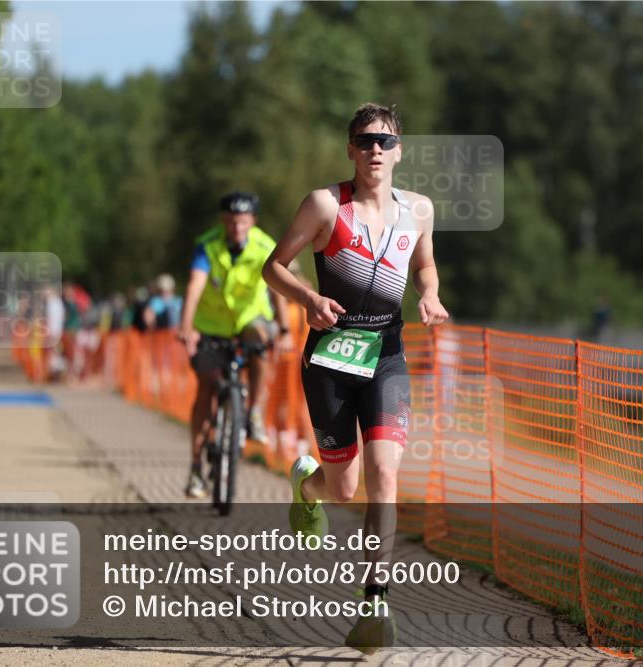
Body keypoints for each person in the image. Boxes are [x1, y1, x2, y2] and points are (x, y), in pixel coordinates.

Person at [262, 103, 449, 653]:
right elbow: (273, 265)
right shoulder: (325, 204)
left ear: (399, 151)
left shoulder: (418, 209)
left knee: (385, 477)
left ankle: (374, 603)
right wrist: (308, 298)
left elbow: (425, 265)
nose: (375, 150)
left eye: (385, 142)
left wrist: (431, 294)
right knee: (343, 487)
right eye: (365, 140)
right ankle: (307, 484)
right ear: (350, 149)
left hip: (387, 354)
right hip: (332, 356)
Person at [178, 191, 292, 499]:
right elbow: (195, 284)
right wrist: (185, 326)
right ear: (222, 221)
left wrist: (284, 329)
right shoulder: (208, 245)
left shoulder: (265, 246)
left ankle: (253, 411)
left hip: (249, 319)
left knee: (260, 342)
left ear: (252, 221)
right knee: (206, 387)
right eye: (230, 221)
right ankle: (196, 467)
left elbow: (278, 289)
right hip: (211, 326)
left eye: (242, 221)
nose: (236, 227)